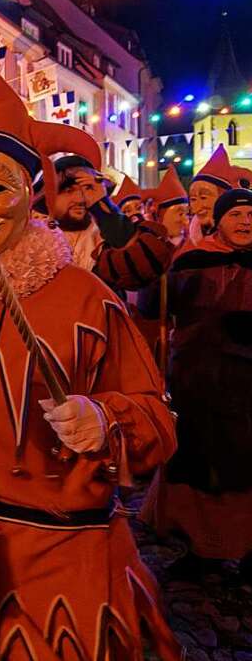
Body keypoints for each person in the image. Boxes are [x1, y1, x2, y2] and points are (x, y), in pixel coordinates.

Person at [0, 62, 180, 660]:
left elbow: (157, 421)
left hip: (60, 565)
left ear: (31, 193)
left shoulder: (85, 298)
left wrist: (106, 421)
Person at [140, 187, 252, 581]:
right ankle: (202, 548)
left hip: (246, 388)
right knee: (201, 466)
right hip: (199, 382)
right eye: (236, 215)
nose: (245, 221)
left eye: (251, 214)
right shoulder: (191, 259)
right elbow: (154, 307)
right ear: (219, 221)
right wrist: (159, 272)